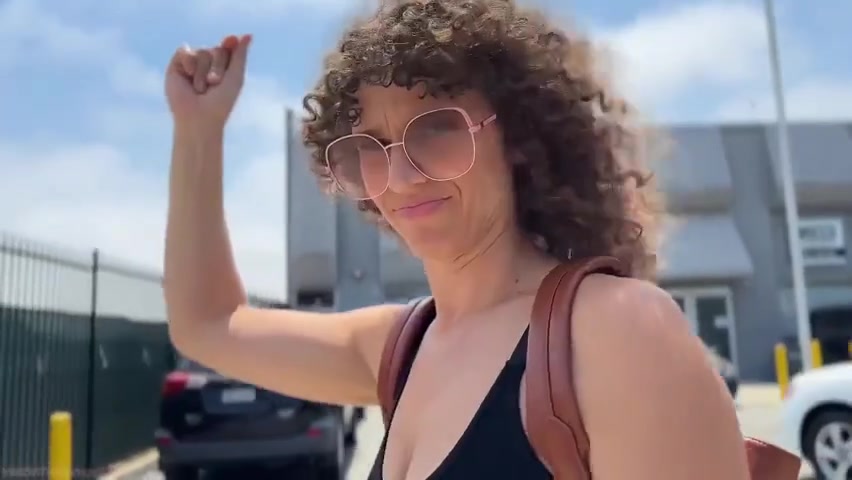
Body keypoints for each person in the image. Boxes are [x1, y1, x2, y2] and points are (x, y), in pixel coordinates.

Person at [162, 1, 750, 479]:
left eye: (437, 128)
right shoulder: (400, 349)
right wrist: (197, 130)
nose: (400, 177)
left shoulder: (618, 331)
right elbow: (207, 324)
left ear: (517, 137)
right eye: (370, 148)